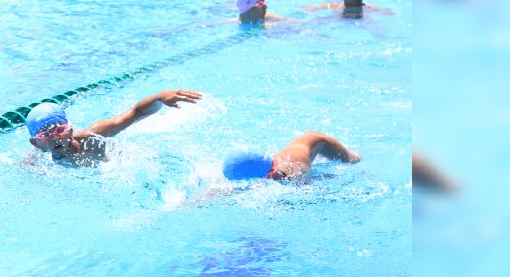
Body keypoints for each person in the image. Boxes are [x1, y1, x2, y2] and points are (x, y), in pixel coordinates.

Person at [26, 90, 203, 166]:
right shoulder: (37, 163)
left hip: (130, 162)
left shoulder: (92, 137)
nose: (55, 137)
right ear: (35, 143)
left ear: (70, 130)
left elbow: (136, 113)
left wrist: (159, 97)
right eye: (45, 134)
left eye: (60, 130)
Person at [223, 131, 360, 181]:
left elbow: (315, 137)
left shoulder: (295, 166)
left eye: (273, 168)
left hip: (322, 143)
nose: (275, 173)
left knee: (354, 160)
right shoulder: (234, 182)